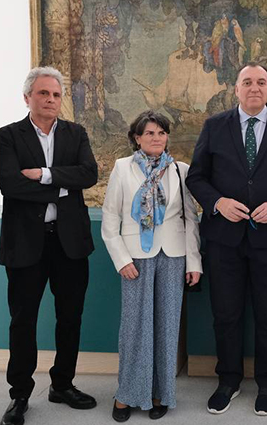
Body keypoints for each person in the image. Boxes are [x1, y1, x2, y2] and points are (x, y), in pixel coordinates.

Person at [186, 63, 267, 416]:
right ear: (236, 89)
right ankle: (228, 381)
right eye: (247, 82)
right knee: (225, 313)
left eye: (261, 82)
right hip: (224, 238)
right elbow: (196, 178)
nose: (254, 87)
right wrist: (218, 203)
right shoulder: (214, 126)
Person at [0, 67, 99, 425]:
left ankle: (63, 384)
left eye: (56, 94)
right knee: (23, 320)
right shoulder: (8, 136)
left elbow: (89, 174)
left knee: (70, 318)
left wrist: (44, 174)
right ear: (28, 98)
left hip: (69, 242)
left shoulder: (76, 133)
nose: (51, 100)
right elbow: (10, 185)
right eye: (43, 94)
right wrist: (64, 187)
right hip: (26, 243)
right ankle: (19, 394)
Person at [101, 110, 203, 422]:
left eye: (161, 133)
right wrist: (121, 260)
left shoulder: (181, 171)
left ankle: (161, 393)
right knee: (135, 328)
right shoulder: (122, 169)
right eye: (149, 133)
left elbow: (191, 219)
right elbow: (110, 219)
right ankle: (127, 394)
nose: (156, 138)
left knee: (167, 328)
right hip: (135, 259)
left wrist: (194, 261)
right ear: (137, 138)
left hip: (173, 257)